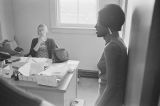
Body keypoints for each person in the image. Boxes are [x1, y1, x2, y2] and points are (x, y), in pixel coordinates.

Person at [94, 4, 128, 106]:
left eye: (98, 22)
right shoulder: (117, 41)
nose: (95, 26)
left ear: (108, 25)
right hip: (108, 96)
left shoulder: (112, 47)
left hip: (110, 101)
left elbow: (112, 86)